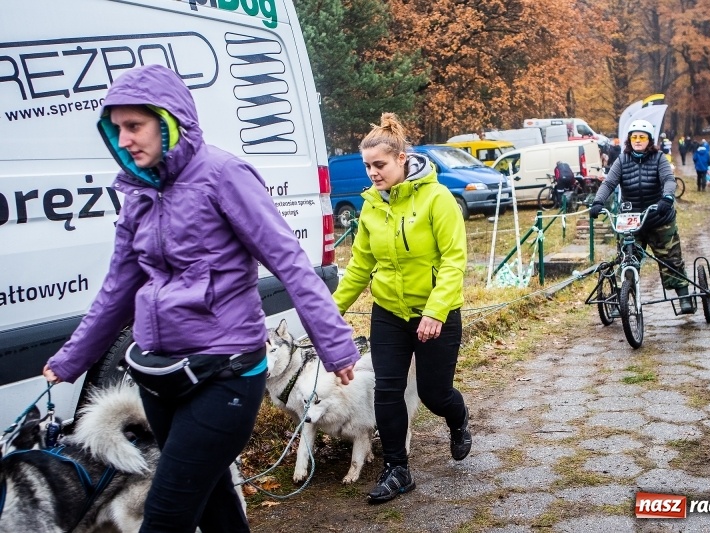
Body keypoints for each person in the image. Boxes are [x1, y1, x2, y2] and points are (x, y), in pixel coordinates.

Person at [42, 64, 360, 532]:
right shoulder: (138, 192)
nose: (125, 138)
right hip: (159, 374)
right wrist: (70, 360)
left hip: (224, 373)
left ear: (168, 119)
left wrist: (335, 345)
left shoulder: (223, 175)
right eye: (117, 129)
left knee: (166, 516)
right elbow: (117, 289)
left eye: (135, 125)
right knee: (213, 504)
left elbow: (288, 261)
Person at [333, 113, 472, 503]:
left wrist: (435, 310)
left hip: (437, 313)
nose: (373, 173)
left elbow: (453, 260)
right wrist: (328, 313)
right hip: (389, 313)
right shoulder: (372, 207)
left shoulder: (437, 198)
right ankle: (397, 469)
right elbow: (360, 265)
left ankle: (458, 419)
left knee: (433, 393)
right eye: (368, 166)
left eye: (380, 165)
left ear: (402, 159)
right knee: (387, 391)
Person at [589, 119, 693, 314]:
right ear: (629, 139)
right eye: (634, 137)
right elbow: (609, 183)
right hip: (631, 220)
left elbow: (668, 180)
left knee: (670, 258)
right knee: (626, 259)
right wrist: (598, 202)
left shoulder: (659, 158)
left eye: (642, 137)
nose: (638, 140)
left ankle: (684, 296)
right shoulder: (622, 160)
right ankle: (623, 299)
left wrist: (668, 198)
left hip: (658, 217)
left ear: (649, 140)